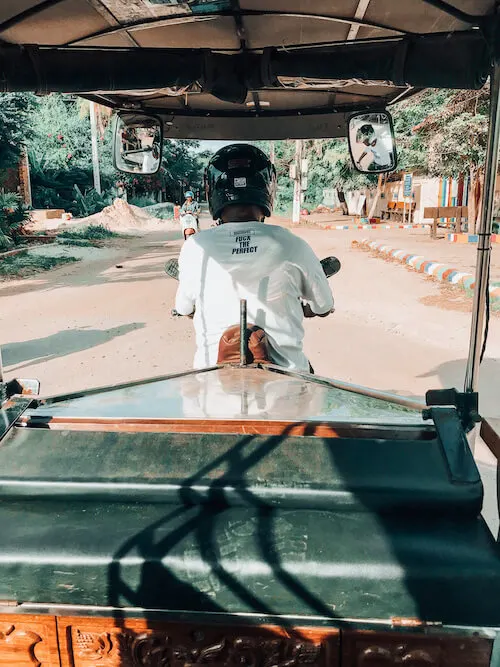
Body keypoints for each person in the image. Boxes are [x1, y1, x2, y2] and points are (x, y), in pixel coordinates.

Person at [174, 143, 334, 371]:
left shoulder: (195, 246)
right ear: (267, 189)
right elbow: (323, 305)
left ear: (213, 192)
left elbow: (183, 308)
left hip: (211, 385)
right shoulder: (292, 244)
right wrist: (305, 307)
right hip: (287, 380)